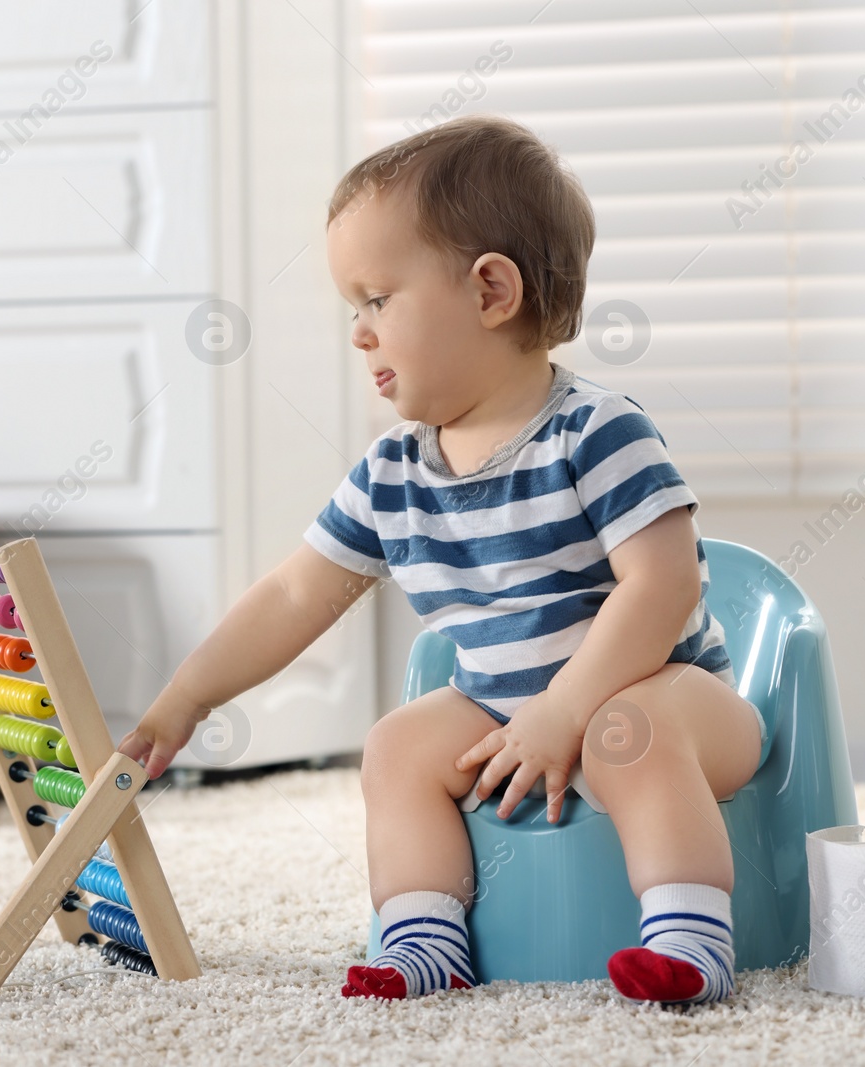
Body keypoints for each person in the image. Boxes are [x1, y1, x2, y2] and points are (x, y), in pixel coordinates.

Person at [118, 114, 767, 1008]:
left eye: (377, 300)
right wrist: (186, 697)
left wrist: (568, 707)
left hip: (673, 702)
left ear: (491, 291)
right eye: (353, 309)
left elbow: (665, 585)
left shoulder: (595, 429)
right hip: (509, 711)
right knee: (396, 745)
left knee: (628, 734)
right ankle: (426, 938)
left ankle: (691, 939)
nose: (359, 334)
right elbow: (296, 592)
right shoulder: (393, 473)